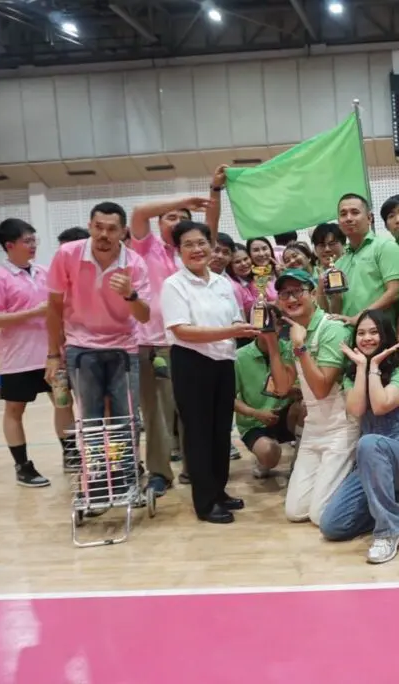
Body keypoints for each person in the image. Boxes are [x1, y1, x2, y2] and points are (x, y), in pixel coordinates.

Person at [162, 220, 259, 524]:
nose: (196, 249)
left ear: (211, 246)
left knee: (220, 431)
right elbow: (182, 330)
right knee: (199, 434)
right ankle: (204, 502)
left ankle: (218, 490)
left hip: (223, 362)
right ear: (178, 250)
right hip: (192, 363)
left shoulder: (222, 283)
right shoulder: (173, 285)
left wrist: (249, 326)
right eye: (188, 244)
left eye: (201, 243)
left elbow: (234, 320)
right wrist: (230, 331)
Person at [319, 311, 399, 563]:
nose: (366, 338)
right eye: (361, 333)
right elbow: (357, 410)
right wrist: (361, 368)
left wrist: (375, 368)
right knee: (332, 526)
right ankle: (392, 501)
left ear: (385, 335)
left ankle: (389, 531)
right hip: (370, 461)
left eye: (373, 332)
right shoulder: (351, 375)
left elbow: (380, 406)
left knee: (369, 443)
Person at [129, 193, 212, 496]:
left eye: (183, 218)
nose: (177, 222)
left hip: (192, 342)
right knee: (158, 416)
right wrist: (184, 200)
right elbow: (139, 211)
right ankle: (160, 473)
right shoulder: (146, 247)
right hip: (154, 344)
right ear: (159, 222)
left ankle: (194, 468)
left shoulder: (190, 253)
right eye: (171, 217)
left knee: (192, 411)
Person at [0, 218, 75, 487]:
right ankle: (22, 466)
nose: (33, 245)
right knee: (14, 409)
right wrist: (33, 312)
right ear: (9, 245)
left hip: (51, 354)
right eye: (27, 241)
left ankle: (71, 454)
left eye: (34, 240)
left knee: (63, 402)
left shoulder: (44, 272)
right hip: (18, 358)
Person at [46, 202, 151, 426]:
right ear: (90, 227)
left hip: (124, 347)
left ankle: (125, 452)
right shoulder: (67, 254)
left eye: (112, 229)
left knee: (126, 419)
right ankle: (93, 453)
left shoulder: (135, 263)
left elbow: (144, 316)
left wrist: (130, 295)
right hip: (80, 346)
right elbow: (54, 306)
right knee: (90, 421)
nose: (104, 234)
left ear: (123, 232)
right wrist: (53, 355)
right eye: (98, 227)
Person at [276, 268, 359, 525]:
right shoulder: (292, 333)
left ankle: (372, 485)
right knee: (295, 512)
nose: (291, 299)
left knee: (320, 515)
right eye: (284, 294)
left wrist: (300, 347)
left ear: (313, 294)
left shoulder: (332, 329)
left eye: (297, 291)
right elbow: (282, 387)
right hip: (313, 428)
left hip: (341, 426)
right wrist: (270, 341)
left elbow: (322, 389)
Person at [328, 194, 399, 325]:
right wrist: (333, 296)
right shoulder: (339, 263)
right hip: (349, 333)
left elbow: (395, 291)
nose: (348, 218)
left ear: (369, 218)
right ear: (339, 222)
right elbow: (337, 311)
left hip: (380, 332)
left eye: (355, 212)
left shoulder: (385, 247)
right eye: (343, 214)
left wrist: (360, 317)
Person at [233, 329, 297, 479]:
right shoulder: (239, 356)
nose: (269, 330)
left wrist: (293, 390)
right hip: (255, 421)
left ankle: (299, 463)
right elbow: (228, 398)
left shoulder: (292, 349)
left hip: (286, 413)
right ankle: (264, 460)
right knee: (269, 452)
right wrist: (255, 413)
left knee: (305, 409)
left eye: (274, 325)